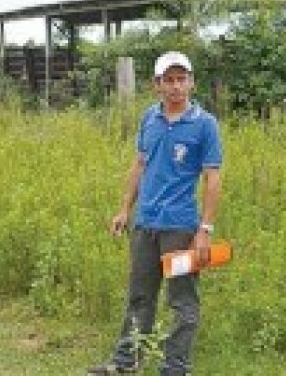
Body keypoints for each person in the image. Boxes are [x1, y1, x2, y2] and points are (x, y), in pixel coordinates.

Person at [88, 51, 223, 375]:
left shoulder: (204, 125)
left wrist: (204, 229)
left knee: (182, 303)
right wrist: (124, 210)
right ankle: (126, 362)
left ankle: (175, 368)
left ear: (191, 82)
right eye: (169, 80)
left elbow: (212, 178)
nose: (176, 86)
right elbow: (139, 165)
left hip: (180, 229)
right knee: (139, 297)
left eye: (182, 79)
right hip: (145, 225)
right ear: (157, 85)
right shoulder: (150, 118)